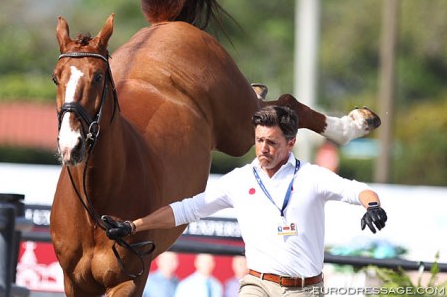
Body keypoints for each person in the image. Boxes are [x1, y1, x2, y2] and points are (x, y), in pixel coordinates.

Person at [106, 106, 388, 297]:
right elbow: (186, 209)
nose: (263, 149)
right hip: (258, 285)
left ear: (291, 143)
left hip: (305, 289)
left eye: (272, 143)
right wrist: (134, 226)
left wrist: (372, 206)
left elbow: (359, 190)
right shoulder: (239, 180)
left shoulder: (312, 177)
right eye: (259, 140)